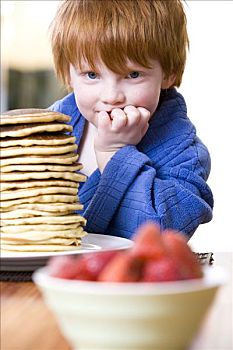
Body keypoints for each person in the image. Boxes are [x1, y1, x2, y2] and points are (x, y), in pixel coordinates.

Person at [49, 0, 213, 240]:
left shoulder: (185, 153)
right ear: (68, 73)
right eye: (92, 74)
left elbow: (161, 234)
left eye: (133, 74)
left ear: (169, 73)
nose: (112, 96)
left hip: (132, 277)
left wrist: (115, 153)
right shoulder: (45, 132)